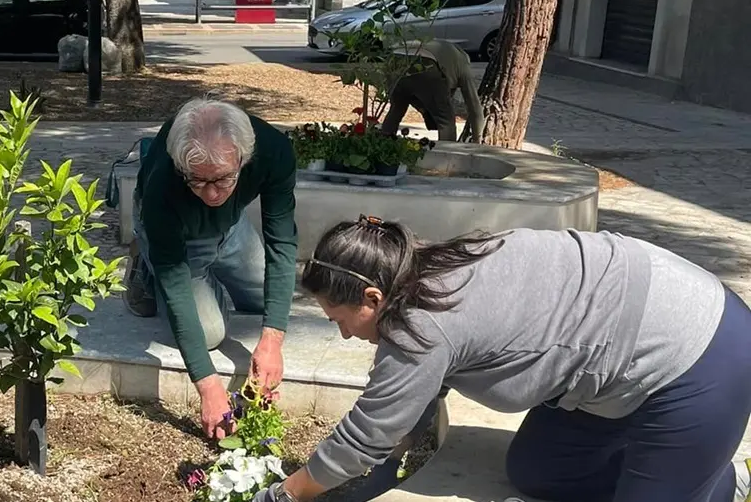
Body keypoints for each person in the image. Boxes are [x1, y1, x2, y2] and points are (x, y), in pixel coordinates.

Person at [254, 215, 751, 502]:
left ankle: (716, 481)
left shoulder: (422, 327)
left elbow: (366, 436)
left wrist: (283, 495)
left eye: (339, 319)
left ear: (370, 298)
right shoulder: (427, 269)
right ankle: (675, 471)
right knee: (538, 472)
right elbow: (411, 403)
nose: (343, 335)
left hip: (700, 360)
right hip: (626, 355)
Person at [123, 98, 299, 440]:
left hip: (231, 229)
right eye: (198, 182)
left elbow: (282, 242)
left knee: (273, 300)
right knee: (209, 333)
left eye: (223, 180)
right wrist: (207, 387)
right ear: (181, 166)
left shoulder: (274, 151)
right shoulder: (164, 182)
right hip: (175, 235)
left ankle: (207, 264)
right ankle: (147, 265)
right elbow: (177, 288)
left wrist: (272, 339)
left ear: (244, 158)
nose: (212, 193)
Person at [379, 39, 485, 143]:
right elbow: (474, 105)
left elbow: (412, 90)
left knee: (396, 109)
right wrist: (477, 139)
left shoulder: (449, 55)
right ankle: (447, 155)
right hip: (425, 61)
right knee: (445, 119)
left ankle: (383, 145)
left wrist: (424, 110)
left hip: (395, 57)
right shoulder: (463, 64)